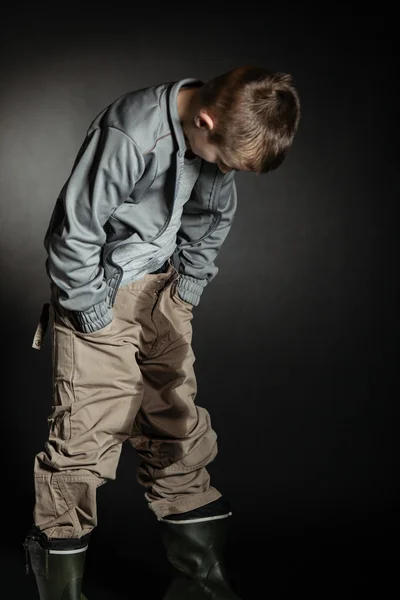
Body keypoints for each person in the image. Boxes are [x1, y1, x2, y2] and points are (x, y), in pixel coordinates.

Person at [24, 66, 301, 599]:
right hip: (98, 296)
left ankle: (203, 583)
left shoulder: (222, 129)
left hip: (163, 291)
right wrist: (90, 310)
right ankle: (62, 591)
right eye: (221, 159)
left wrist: (188, 287)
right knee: (85, 435)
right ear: (204, 119)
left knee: (177, 425)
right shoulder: (130, 132)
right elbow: (73, 230)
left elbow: (213, 213)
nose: (222, 169)